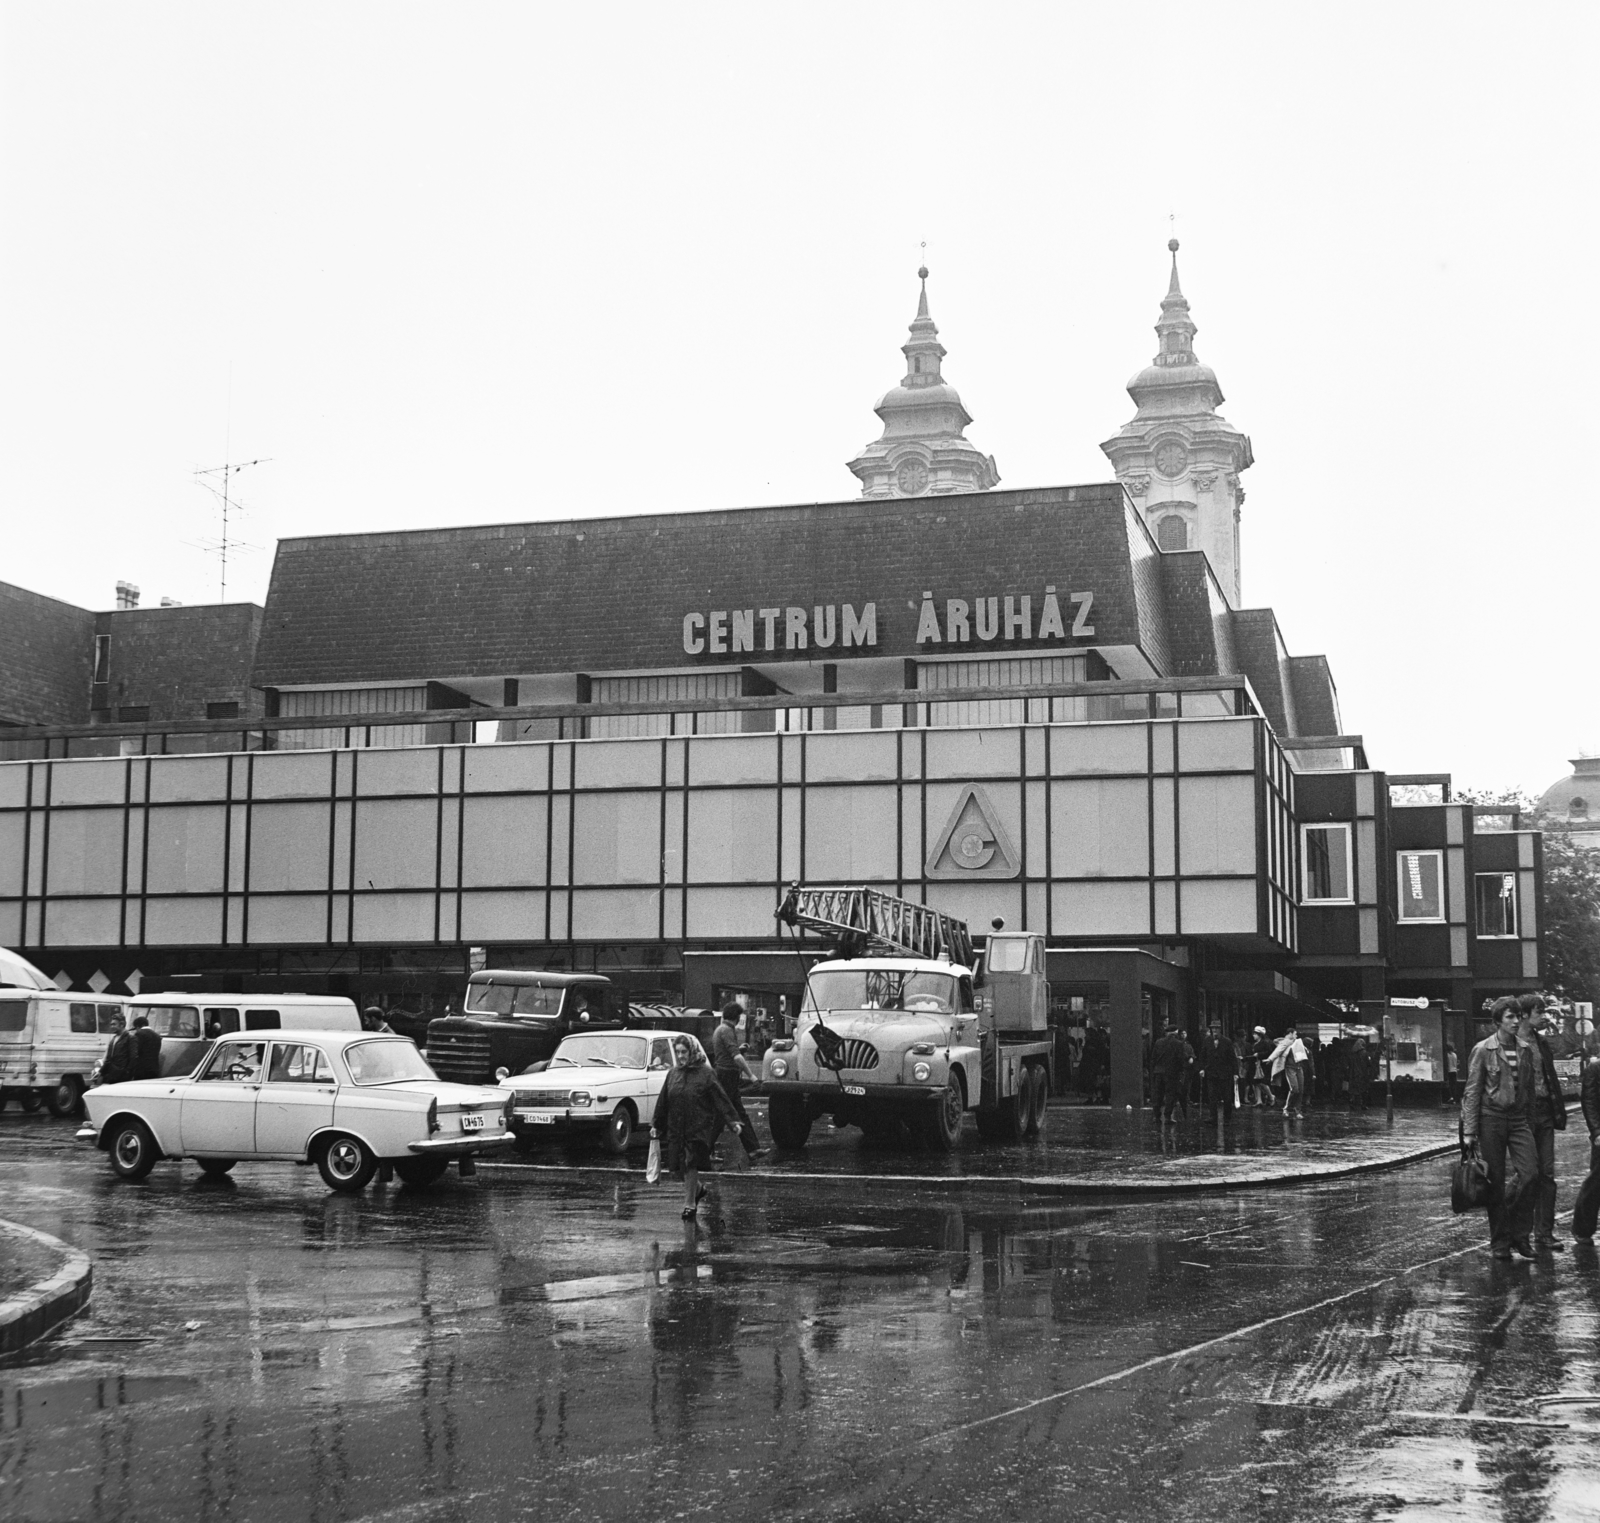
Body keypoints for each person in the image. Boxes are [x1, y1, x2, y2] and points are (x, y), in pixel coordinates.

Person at [1461, 997, 1540, 1261]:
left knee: (1531, 1174)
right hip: (1491, 1119)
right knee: (1494, 1183)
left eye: (1518, 1016)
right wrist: (1470, 1132)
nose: (1516, 1021)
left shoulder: (1525, 1049)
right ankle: (1500, 1243)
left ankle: (1520, 1235)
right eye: (1510, 1017)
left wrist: (1530, 1122)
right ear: (1497, 1022)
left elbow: (1528, 1090)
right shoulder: (1483, 1050)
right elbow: (1472, 1091)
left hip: (1518, 1120)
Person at [652, 1035, 742, 1219]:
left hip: (697, 1126)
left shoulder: (706, 1073)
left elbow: (721, 1098)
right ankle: (698, 1189)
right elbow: (663, 1100)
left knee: (690, 1162)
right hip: (676, 1127)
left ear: (692, 1051)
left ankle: (689, 1205)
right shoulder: (673, 1074)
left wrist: (732, 1121)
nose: (680, 1056)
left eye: (683, 1052)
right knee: (677, 1168)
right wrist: (657, 1124)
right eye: (677, 1052)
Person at [1518, 995, 1568, 1253]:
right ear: (1525, 1014)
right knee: (1529, 1176)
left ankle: (1544, 1233)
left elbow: (1551, 1080)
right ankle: (1520, 1232)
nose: (1543, 1017)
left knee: (1547, 1174)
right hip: (1523, 1116)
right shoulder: (1513, 1042)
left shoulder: (1542, 1043)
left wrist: (1558, 1109)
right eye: (1539, 1013)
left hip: (1545, 1112)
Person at [710, 1003, 763, 1159]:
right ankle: (704, 1152)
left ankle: (753, 1149)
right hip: (727, 1076)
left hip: (725, 1075)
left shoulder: (722, 1029)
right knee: (722, 1114)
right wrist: (752, 1076)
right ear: (737, 1016)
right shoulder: (726, 1030)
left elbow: (728, 1053)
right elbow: (736, 1057)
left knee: (737, 1113)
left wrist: (739, 1049)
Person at [1572, 1030, 1600, 1243]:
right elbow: (1589, 1101)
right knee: (1596, 1181)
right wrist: (1596, 1131)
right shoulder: (1595, 1069)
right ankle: (1582, 1228)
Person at [1148, 1024, 1193, 1122]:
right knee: (1170, 1095)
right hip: (1172, 1073)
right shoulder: (1178, 1043)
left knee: (1158, 1095)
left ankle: (1156, 1116)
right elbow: (1180, 1059)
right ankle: (1168, 1116)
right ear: (1176, 1032)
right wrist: (1181, 1070)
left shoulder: (1158, 1042)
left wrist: (1154, 1070)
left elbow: (1153, 1058)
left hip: (1158, 1072)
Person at [1197, 1021, 1238, 1123]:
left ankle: (1227, 1116)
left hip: (1225, 1072)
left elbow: (1232, 1058)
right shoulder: (1207, 1040)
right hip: (1211, 1072)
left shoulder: (1227, 1041)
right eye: (1213, 1028)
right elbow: (1202, 1056)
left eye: (1216, 1028)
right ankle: (1213, 1116)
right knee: (1212, 1095)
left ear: (1220, 1029)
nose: (1214, 1030)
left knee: (1227, 1096)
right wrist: (1201, 1068)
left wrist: (1235, 1073)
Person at [1268, 1029, 1308, 1117]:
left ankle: (1297, 1110)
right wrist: (1270, 1059)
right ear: (1290, 1034)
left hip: (1299, 1067)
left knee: (1300, 1090)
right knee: (1294, 1089)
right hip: (1290, 1068)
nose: (1296, 1036)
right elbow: (1278, 1050)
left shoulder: (1297, 1043)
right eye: (1295, 1034)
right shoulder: (1285, 1043)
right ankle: (1286, 1108)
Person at [99, 1013, 135, 1086]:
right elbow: (109, 1058)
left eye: (114, 1024)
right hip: (111, 1075)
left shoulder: (130, 1038)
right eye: (111, 1024)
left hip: (122, 1077)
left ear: (122, 1024)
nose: (111, 1027)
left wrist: (127, 1073)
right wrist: (101, 1072)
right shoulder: (113, 1039)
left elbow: (133, 1058)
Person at [129, 1014, 162, 1080]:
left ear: (138, 1026)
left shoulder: (139, 1034)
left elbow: (135, 1053)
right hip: (154, 1069)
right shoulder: (157, 1036)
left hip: (141, 1070)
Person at [1250, 1027, 1274, 1107]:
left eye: (1255, 1034)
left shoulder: (1265, 1043)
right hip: (1256, 1064)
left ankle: (1271, 1096)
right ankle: (1259, 1100)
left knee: (1263, 1082)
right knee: (1256, 1082)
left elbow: (1269, 1052)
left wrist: (1259, 1054)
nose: (1253, 1035)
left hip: (1264, 1064)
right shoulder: (1254, 1044)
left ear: (1259, 1035)